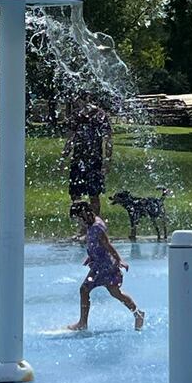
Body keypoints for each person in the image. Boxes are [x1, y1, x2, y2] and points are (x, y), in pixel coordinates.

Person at [66, 200, 144, 332]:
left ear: (85, 213)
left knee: (84, 289)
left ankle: (82, 323)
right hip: (100, 264)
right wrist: (91, 256)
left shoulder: (96, 227)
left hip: (105, 266)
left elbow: (107, 244)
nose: (79, 222)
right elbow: (96, 244)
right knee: (115, 292)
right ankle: (138, 313)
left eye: (79, 218)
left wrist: (119, 260)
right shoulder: (91, 223)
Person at [64, 101, 112, 219]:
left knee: (94, 195)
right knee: (75, 195)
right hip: (78, 159)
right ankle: (83, 225)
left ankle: (94, 227)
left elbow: (108, 139)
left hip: (95, 160)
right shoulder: (77, 115)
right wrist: (63, 158)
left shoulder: (100, 115)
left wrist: (107, 160)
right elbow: (70, 138)